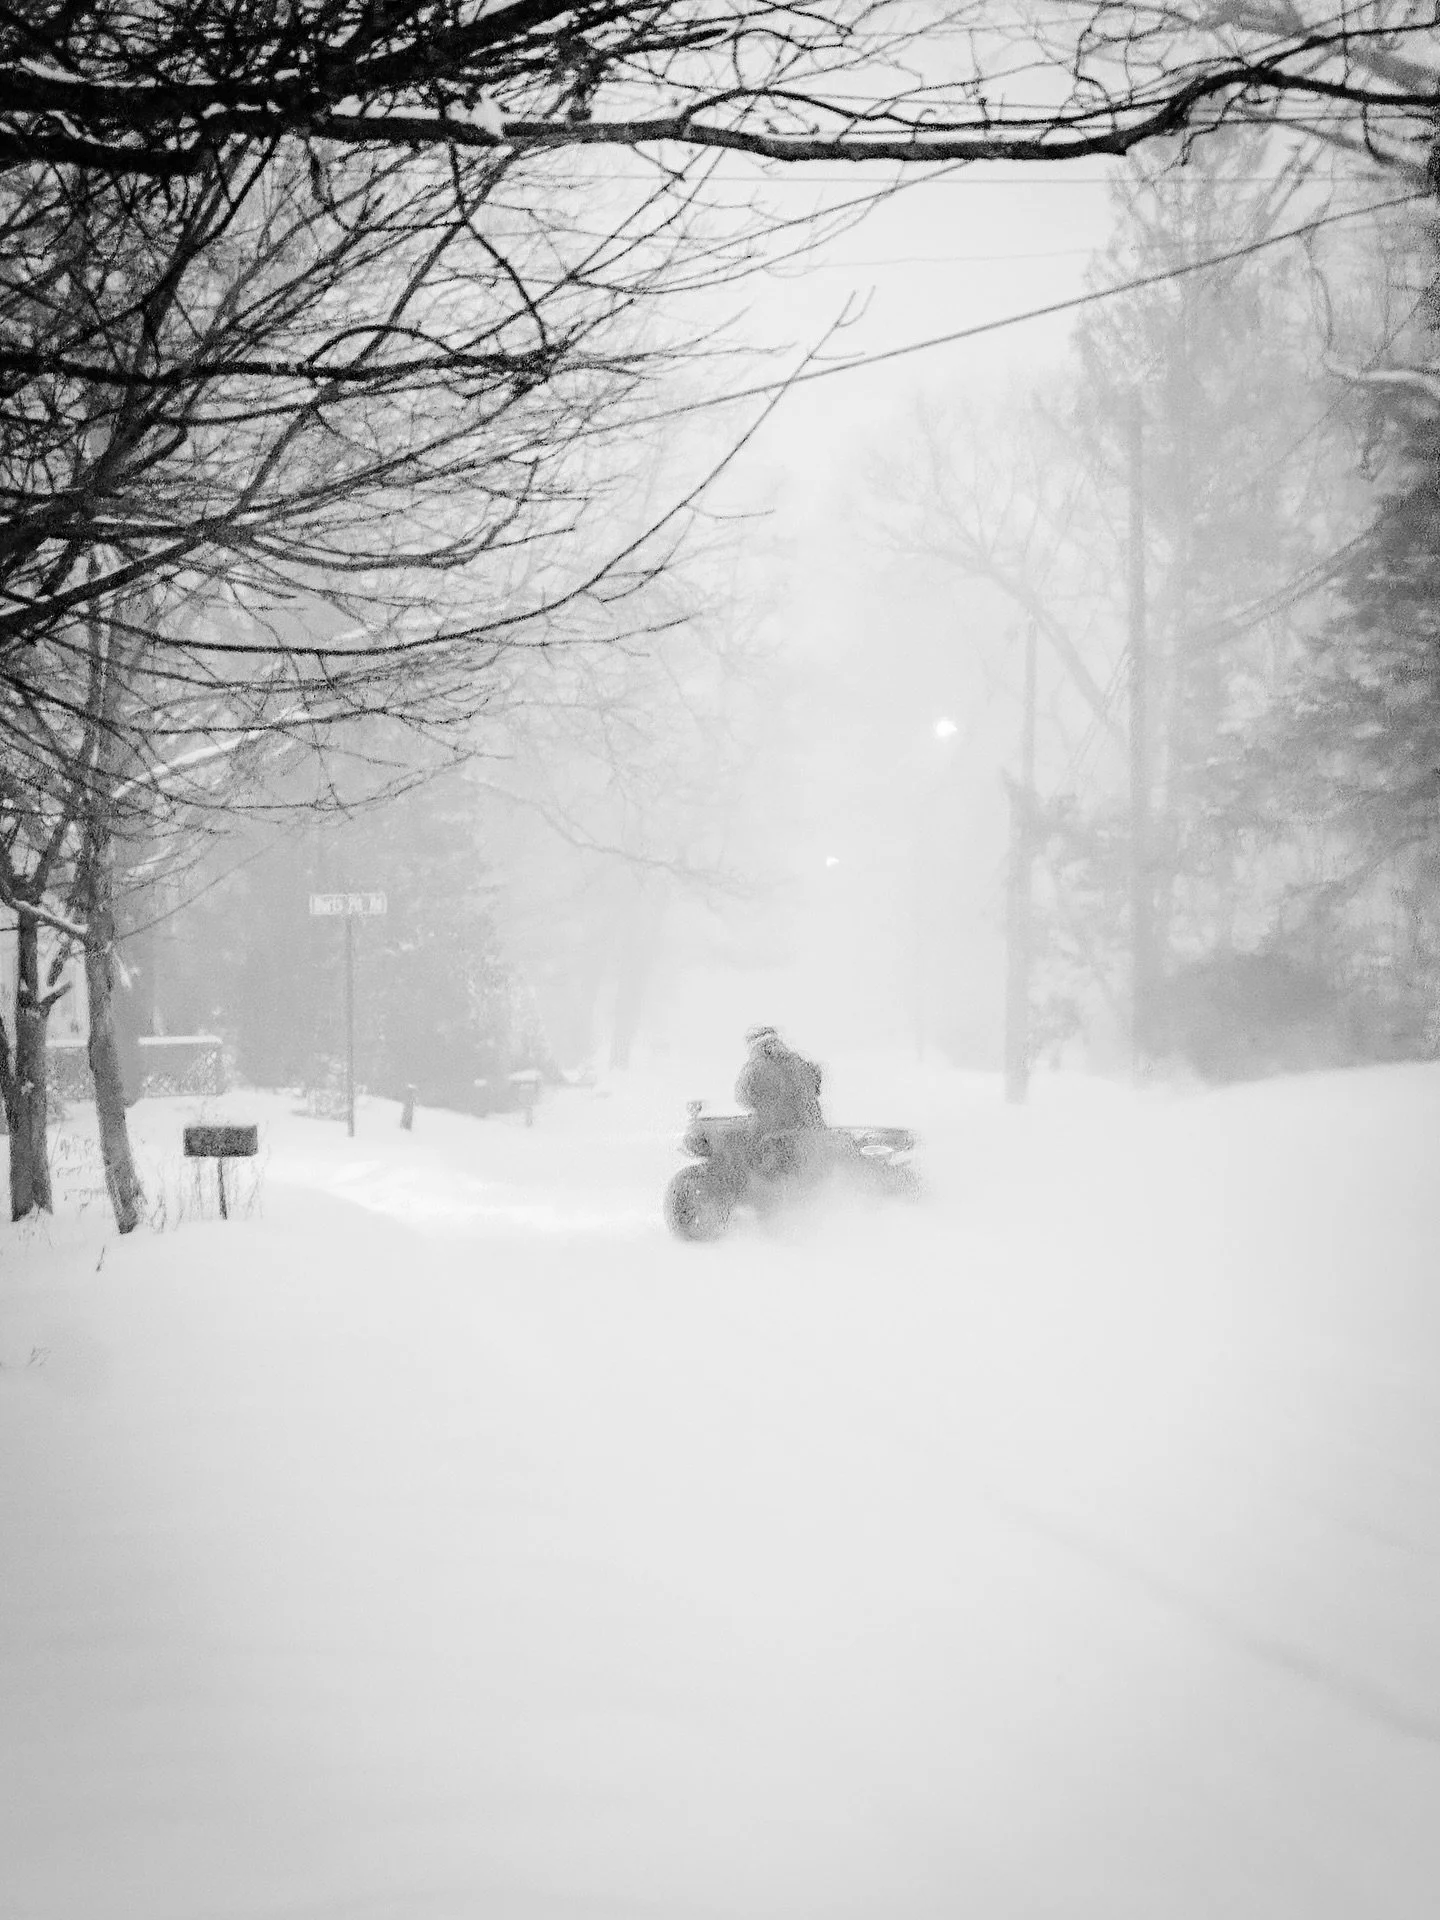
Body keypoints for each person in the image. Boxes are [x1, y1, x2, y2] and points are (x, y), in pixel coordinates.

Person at [735, 1026, 825, 1142]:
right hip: (808, 1129)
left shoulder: (758, 1067)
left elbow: (745, 1098)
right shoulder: (798, 1063)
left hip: (778, 1133)